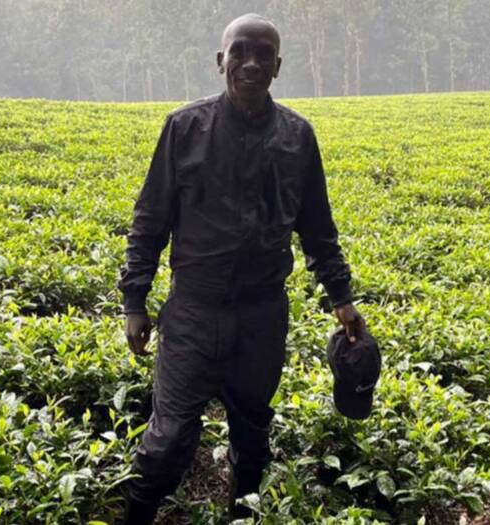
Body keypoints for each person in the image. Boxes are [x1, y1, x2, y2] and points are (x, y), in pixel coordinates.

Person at [117, 13, 365, 524]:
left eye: (263, 55)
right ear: (220, 61)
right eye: (239, 52)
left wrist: (342, 298)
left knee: (252, 435)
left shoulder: (298, 137)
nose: (250, 63)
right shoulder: (184, 129)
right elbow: (150, 221)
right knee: (167, 442)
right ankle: (135, 515)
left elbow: (317, 227)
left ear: (277, 66)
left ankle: (241, 514)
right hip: (192, 312)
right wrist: (134, 301)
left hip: (261, 315)